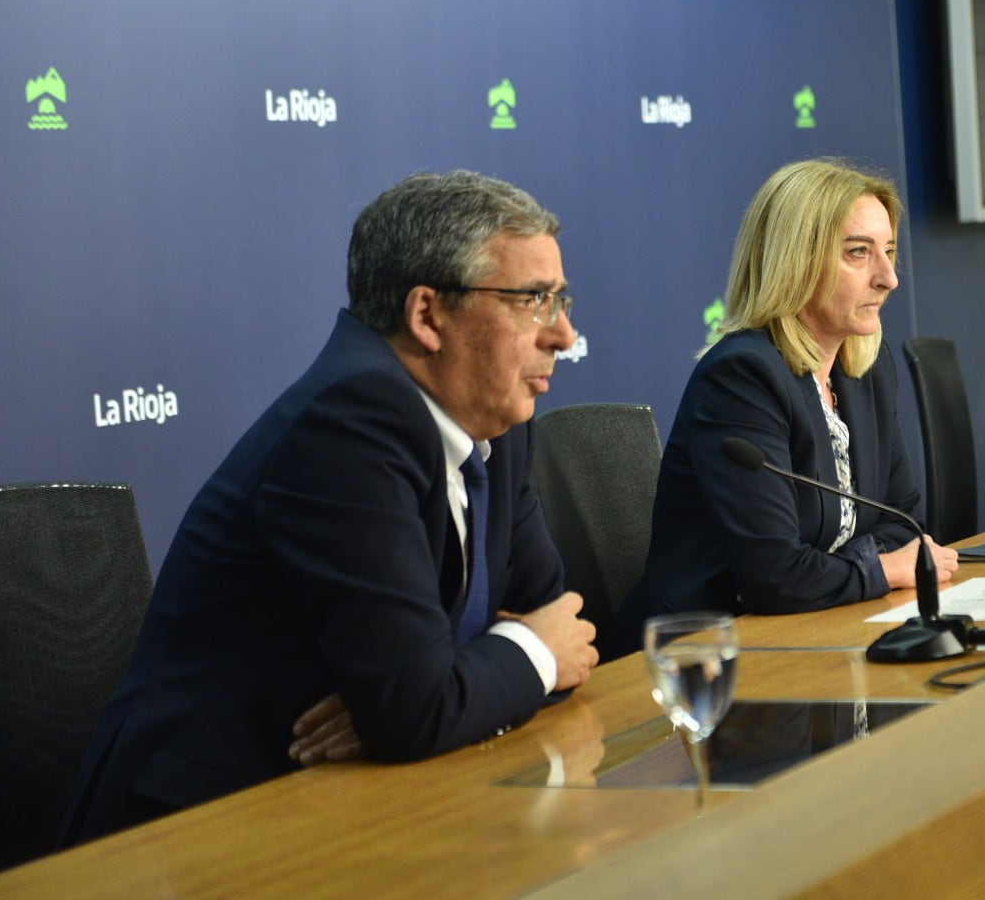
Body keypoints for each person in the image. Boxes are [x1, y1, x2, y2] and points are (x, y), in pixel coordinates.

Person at [61, 171, 598, 845]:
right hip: (201, 824)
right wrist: (474, 675)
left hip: (350, 799)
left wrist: (447, 683)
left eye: (560, 299)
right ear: (427, 314)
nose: (564, 333)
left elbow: (559, 626)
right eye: (533, 301)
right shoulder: (351, 420)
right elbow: (448, 693)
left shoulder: (498, 422)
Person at [613, 160, 955, 651]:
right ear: (796, 260)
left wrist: (862, 568)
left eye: (889, 252)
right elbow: (775, 577)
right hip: (706, 657)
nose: (888, 278)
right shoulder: (743, 376)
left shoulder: (866, 367)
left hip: (817, 630)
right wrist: (880, 569)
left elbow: (904, 525)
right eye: (859, 253)